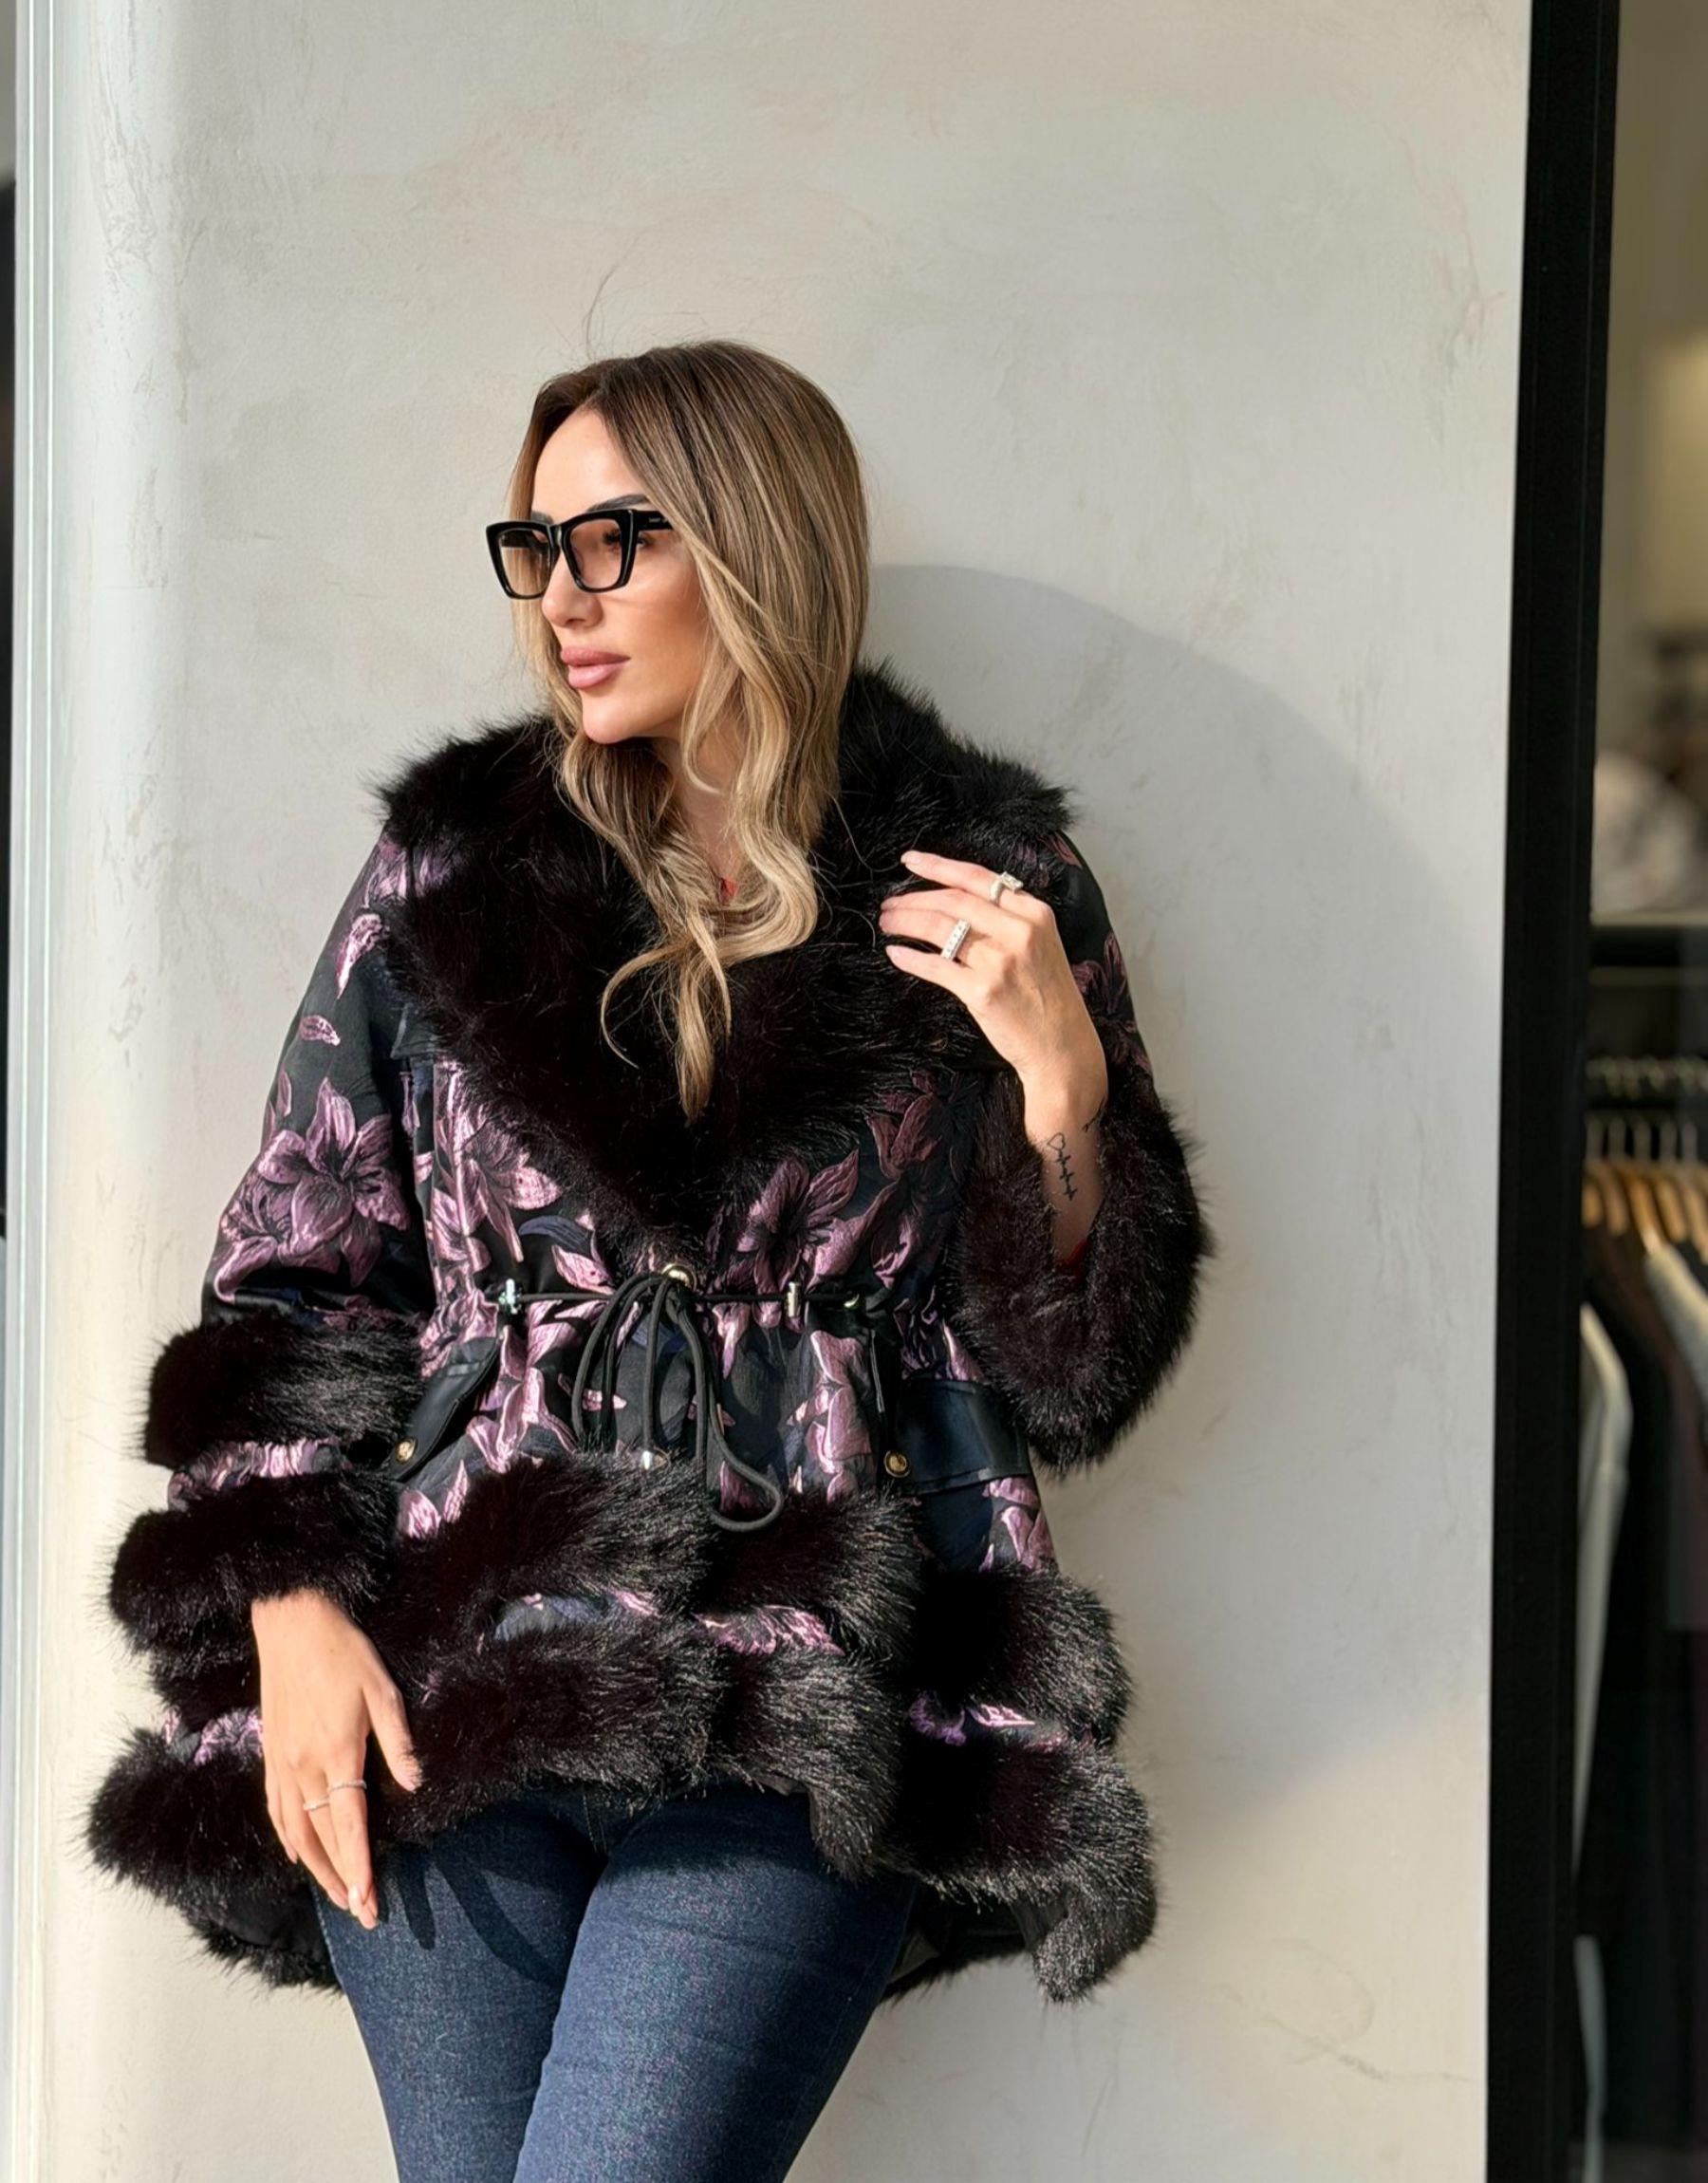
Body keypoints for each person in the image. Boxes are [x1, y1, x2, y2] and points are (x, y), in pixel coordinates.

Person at [84, 339, 1214, 2181]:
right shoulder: (453, 868)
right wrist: (290, 1618)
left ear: (756, 541)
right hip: (451, 1677)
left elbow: (1072, 1366)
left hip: (800, 1691)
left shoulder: (981, 883)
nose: (563, 600)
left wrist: (1063, 1082)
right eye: (536, 549)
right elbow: (295, 1271)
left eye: (615, 540)